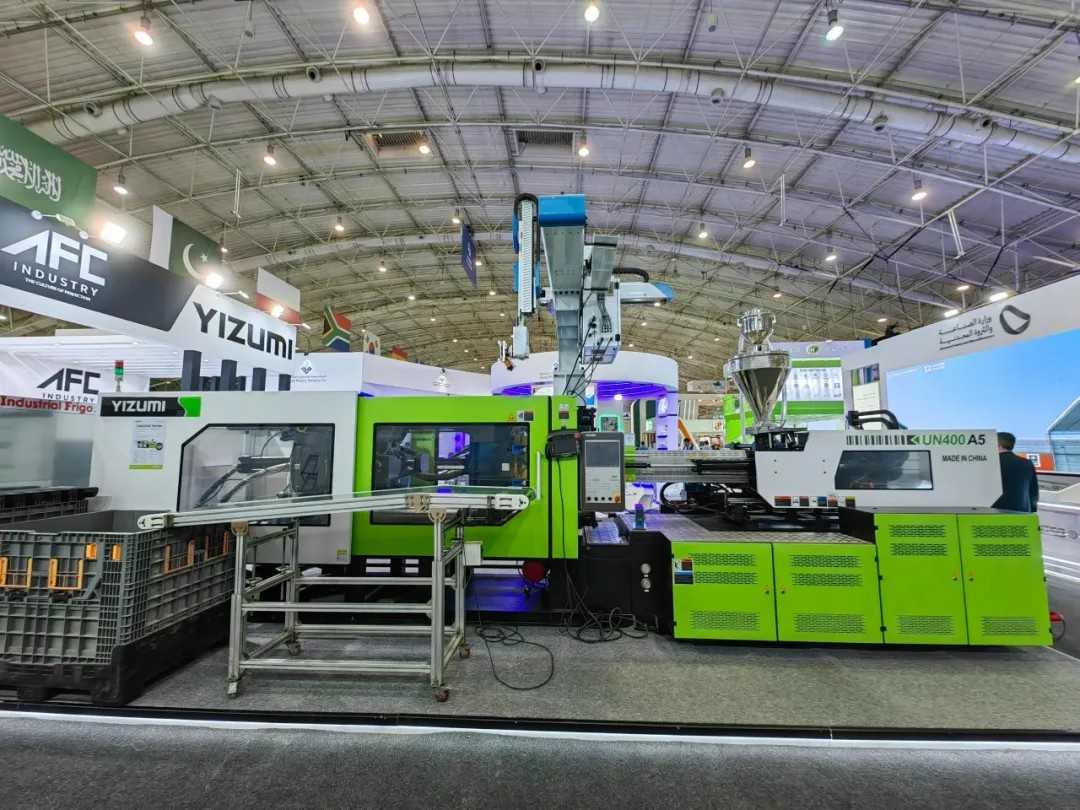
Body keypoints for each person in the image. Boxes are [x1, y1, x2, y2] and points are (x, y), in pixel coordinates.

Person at [992, 432, 1039, 513]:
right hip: (1022, 512)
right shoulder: (1027, 463)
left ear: (997, 444)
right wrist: (1032, 510)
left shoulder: (990, 463)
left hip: (994, 512)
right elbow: (1033, 491)